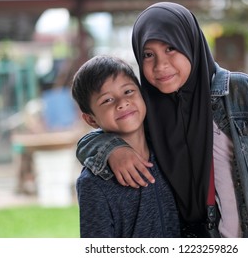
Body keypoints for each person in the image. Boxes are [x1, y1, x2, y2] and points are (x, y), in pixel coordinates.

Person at [76, 2, 248, 238]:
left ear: (190, 42)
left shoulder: (241, 93)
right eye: (148, 55)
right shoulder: (150, 114)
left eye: (170, 48)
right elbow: (105, 130)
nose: (161, 64)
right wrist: (111, 148)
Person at [71, 55, 180, 238]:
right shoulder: (93, 183)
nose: (122, 103)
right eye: (107, 100)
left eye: (128, 91)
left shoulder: (167, 148)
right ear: (91, 119)